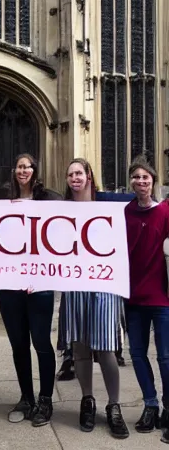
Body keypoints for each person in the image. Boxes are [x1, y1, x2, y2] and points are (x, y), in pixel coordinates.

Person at [58, 158, 128, 438]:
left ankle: (114, 405)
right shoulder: (59, 210)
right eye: (70, 173)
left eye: (79, 172)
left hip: (104, 283)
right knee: (80, 347)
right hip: (75, 283)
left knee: (107, 348)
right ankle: (87, 400)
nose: (75, 177)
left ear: (89, 176)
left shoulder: (109, 204)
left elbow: (140, 203)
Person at [0, 154, 61, 426]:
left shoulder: (49, 199)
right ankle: (26, 397)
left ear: (34, 170)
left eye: (27, 166)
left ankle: (45, 400)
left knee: (42, 343)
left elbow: (59, 240)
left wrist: (41, 276)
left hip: (40, 285)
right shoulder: (1, 197)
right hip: (9, 285)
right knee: (18, 344)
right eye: (19, 166)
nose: (23, 171)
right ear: (14, 170)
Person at [123, 158, 169, 442]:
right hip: (133, 296)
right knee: (137, 354)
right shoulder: (124, 212)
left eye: (146, 177)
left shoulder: (165, 212)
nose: (141, 181)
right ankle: (150, 404)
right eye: (136, 177)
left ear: (153, 181)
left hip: (161, 296)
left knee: (165, 356)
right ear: (131, 182)